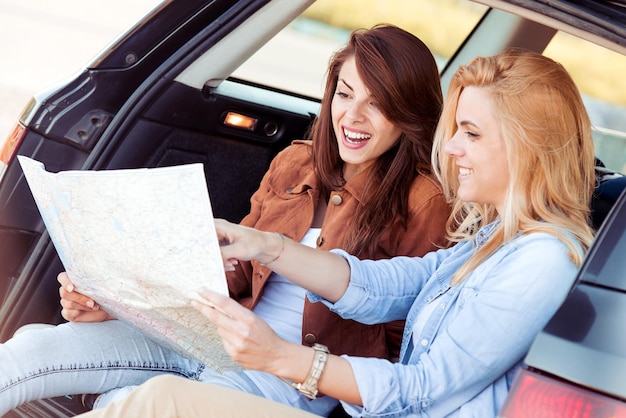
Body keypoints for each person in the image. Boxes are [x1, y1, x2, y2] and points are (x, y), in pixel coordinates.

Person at [77, 48, 597, 418]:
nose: (452, 148)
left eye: (473, 133)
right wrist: (267, 245)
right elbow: (382, 286)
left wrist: (281, 357)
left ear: (531, 148)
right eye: (456, 128)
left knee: (156, 403)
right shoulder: (494, 242)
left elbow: (422, 391)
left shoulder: (544, 260)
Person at [0, 24, 451, 416]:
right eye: (345, 94)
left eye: (376, 103)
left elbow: (403, 348)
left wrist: (304, 365)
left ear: (408, 112)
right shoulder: (296, 162)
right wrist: (119, 297)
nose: (352, 117)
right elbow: (237, 275)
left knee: (136, 403)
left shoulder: (425, 201)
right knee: (34, 348)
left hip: (286, 377)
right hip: (208, 336)